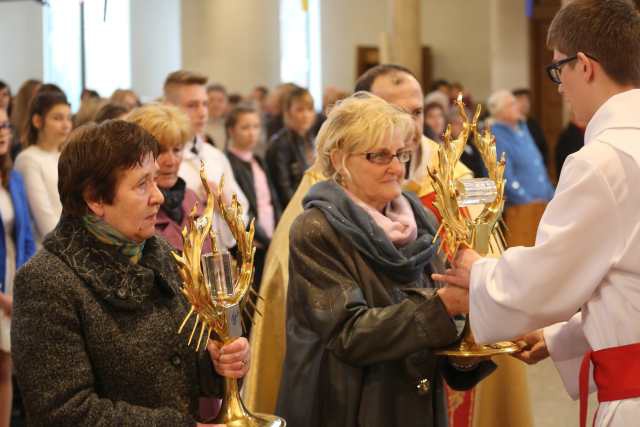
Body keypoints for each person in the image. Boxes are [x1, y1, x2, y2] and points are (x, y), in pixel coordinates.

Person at [244, 65, 533, 427]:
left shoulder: (417, 217)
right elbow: (349, 333)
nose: (396, 168)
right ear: (338, 159)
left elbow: (440, 317)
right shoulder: (317, 228)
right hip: (349, 405)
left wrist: (465, 349)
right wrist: (442, 307)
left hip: (417, 400)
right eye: (378, 156)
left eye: (400, 154)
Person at [434, 2, 640, 426]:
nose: (558, 87)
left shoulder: (601, 161)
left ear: (583, 66)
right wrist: (559, 337)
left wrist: (479, 271)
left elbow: (547, 279)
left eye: (557, 70)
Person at [12, 120, 250, 426]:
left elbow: (181, 365)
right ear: (95, 198)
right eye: (142, 184)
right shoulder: (47, 281)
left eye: (155, 180)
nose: (159, 197)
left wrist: (219, 365)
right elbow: (64, 412)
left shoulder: (157, 252)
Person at [163, 70, 248, 250]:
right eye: (192, 105)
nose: (202, 112)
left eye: (205, 104)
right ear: (170, 107)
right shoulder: (163, 161)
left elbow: (243, 216)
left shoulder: (214, 155)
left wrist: (224, 206)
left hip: (219, 261)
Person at [225, 105, 281, 332]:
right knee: (247, 308)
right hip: (250, 245)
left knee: (266, 305)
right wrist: (265, 239)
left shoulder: (258, 160)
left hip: (268, 238)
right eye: (245, 127)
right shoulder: (229, 162)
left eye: (256, 127)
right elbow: (240, 208)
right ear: (231, 131)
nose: (252, 133)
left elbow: (271, 200)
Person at [125, 103, 207, 253]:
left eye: (177, 150)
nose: (171, 161)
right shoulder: (132, 208)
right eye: (160, 151)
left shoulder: (192, 199)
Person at [0, 108, 36, 427]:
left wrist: (20, 287)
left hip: (13, 279)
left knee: (5, 372)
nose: (2, 132)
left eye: (5, 125)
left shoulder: (14, 178)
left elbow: (25, 235)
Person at [14, 91, 71, 244]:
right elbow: (44, 218)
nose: (66, 125)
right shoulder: (28, 159)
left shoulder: (65, 156)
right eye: (57, 118)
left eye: (68, 118)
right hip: (48, 251)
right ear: (38, 121)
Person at [488, 89, 554, 206]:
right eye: (512, 104)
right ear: (500, 111)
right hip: (522, 208)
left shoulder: (522, 128)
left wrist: (551, 194)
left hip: (543, 201)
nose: (517, 106)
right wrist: (527, 201)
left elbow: (536, 164)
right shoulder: (496, 136)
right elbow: (504, 177)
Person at [265, 87, 316, 208]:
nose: (306, 115)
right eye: (300, 110)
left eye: (310, 109)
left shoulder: (309, 138)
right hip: (292, 209)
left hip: (308, 202)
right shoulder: (280, 144)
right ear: (288, 112)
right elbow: (283, 189)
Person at [513, 88, 549, 165]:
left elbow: (543, 147)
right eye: (520, 100)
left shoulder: (534, 124)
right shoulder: (511, 125)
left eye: (527, 101)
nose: (524, 104)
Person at [205, 84, 229, 150]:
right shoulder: (199, 127)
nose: (216, 104)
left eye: (220, 100)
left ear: (226, 104)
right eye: (211, 100)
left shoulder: (230, 127)